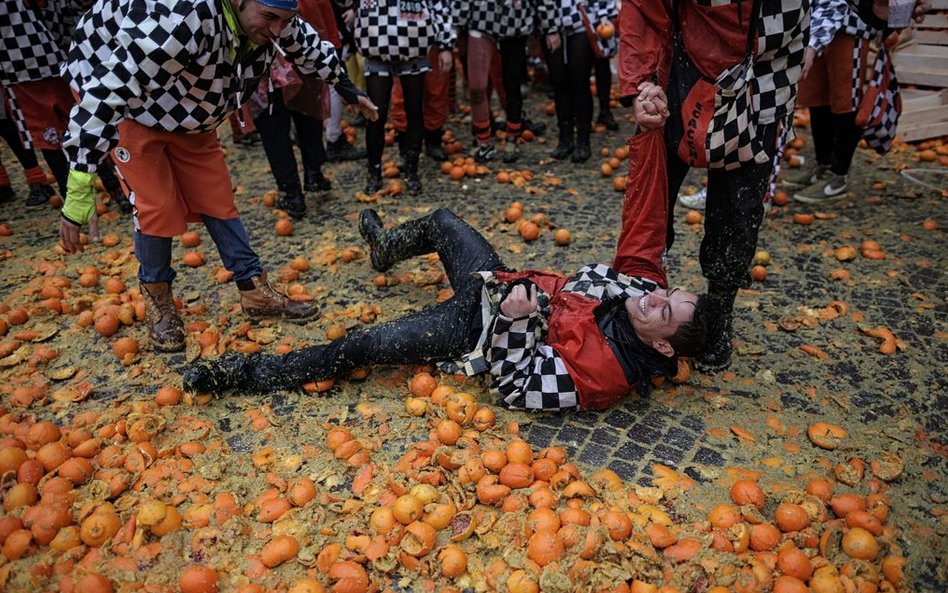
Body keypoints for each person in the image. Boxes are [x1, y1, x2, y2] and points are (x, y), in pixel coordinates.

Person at [183, 180, 709, 409]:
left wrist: (515, 321)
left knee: (363, 345)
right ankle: (385, 248)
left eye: (665, 309)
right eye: (667, 292)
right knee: (442, 221)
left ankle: (244, 373)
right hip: (496, 282)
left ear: (663, 345)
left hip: (477, 328)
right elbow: (642, 247)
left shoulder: (602, 373)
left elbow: (516, 388)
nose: (653, 297)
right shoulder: (641, 296)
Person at [57, 0, 378, 352]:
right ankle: (158, 297)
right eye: (270, 18)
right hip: (125, 102)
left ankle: (253, 289)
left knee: (215, 194)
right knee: (156, 204)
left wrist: (347, 87)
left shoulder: (272, 18)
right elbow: (108, 92)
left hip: (191, 105)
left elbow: (306, 43)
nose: (277, 29)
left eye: (285, 20)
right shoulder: (181, 20)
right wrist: (80, 180)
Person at [619, 0, 809, 371]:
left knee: (738, 208)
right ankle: (640, 295)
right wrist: (643, 82)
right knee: (654, 193)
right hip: (688, 64)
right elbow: (643, 7)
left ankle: (719, 311)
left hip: (769, 73)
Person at [788, 0, 931, 204]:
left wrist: (890, 24)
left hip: (851, 23)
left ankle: (839, 173)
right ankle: (823, 163)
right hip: (814, 19)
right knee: (818, 98)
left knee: (845, 100)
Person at [353, 0, 455, 195]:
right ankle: (374, 172)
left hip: (413, 50)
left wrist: (445, 46)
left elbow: (440, 8)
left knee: (414, 111)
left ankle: (411, 171)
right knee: (375, 115)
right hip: (376, 50)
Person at [250, 0, 339, 219]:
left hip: (284, 58)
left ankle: (294, 190)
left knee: (285, 125)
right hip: (285, 61)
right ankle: (309, 177)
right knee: (302, 117)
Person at [454, 0, 551, 163]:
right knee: (477, 86)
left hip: (515, 23)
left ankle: (512, 138)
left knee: (512, 84)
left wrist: (548, 26)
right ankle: (483, 142)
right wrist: (456, 24)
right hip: (481, 20)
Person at [545, 0, 616, 163]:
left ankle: (583, 139)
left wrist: (604, 16)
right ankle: (565, 138)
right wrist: (551, 28)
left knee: (580, 82)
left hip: (580, 21)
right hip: (551, 23)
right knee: (559, 84)